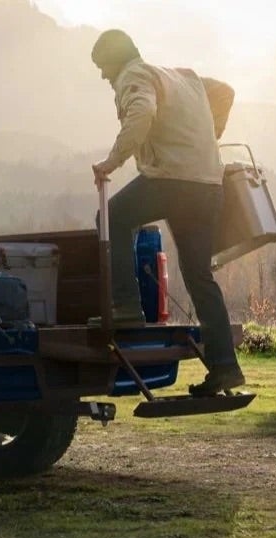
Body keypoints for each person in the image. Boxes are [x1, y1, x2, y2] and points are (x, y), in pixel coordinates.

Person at [86, 29, 245, 397]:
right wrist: (209, 136)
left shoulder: (134, 76)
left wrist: (111, 162)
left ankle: (126, 305)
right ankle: (226, 367)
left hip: (172, 180)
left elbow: (141, 113)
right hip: (208, 185)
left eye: (103, 67)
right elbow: (224, 92)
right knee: (199, 276)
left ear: (115, 59)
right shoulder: (184, 77)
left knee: (112, 216)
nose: (103, 76)